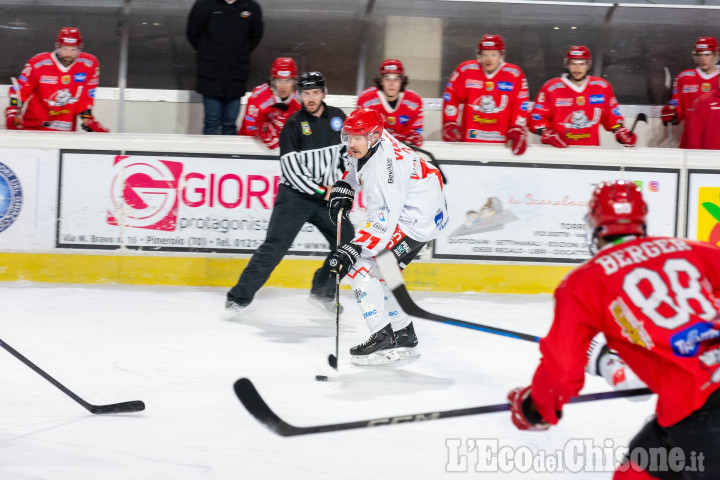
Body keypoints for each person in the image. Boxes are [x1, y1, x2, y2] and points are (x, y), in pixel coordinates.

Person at [508, 180, 720, 479]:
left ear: (594, 223)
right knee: (634, 472)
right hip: (691, 406)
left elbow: (563, 369)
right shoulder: (688, 249)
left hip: (701, 414)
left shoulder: (583, 283)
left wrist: (536, 406)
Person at [326, 108, 449, 365]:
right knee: (382, 272)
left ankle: (382, 341)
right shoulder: (371, 144)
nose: (351, 143)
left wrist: (353, 248)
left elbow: (384, 221)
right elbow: (356, 168)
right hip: (418, 210)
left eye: (357, 138)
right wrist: (346, 186)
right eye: (349, 136)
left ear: (373, 137)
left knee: (361, 265)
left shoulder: (385, 173)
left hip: (416, 222)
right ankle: (404, 335)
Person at [226, 72, 355, 316]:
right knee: (274, 248)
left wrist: (344, 185)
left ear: (324, 93)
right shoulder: (294, 125)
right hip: (294, 198)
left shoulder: (338, 118)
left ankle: (323, 291)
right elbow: (292, 171)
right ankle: (237, 300)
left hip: (326, 198)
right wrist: (322, 191)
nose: (311, 98)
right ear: (299, 95)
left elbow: (348, 155)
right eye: (306, 94)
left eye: (315, 93)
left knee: (348, 243)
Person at [528, 46, 636, 148]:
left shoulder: (601, 87)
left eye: (581, 64)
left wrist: (620, 130)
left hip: (590, 152)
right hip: (558, 151)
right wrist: (546, 133)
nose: (577, 68)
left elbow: (612, 117)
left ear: (588, 65)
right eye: (573, 64)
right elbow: (536, 117)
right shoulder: (551, 88)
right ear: (567, 64)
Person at [5, 27, 109, 132]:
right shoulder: (38, 63)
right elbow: (21, 90)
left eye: (73, 50)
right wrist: (13, 111)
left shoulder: (88, 64)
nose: (69, 54)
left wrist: (87, 119)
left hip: (64, 132)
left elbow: (85, 97)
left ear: (80, 48)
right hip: (33, 129)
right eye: (65, 49)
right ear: (57, 46)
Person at [441, 34, 529, 155]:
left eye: (493, 55)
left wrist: (518, 128)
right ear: (479, 55)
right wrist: (449, 122)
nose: (489, 59)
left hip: (502, 146)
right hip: (469, 142)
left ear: (501, 55)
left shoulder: (514, 74)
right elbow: (451, 96)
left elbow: (520, 105)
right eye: (485, 54)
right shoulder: (466, 70)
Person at [186, 0, 264, 135]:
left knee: (230, 124)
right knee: (211, 121)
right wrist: (209, 53)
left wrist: (238, 55)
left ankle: (230, 156)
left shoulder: (251, 7)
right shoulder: (203, 5)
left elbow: (254, 37)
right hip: (210, 75)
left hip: (236, 75)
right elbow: (193, 33)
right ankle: (209, 156)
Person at [662, 36, 719, 148]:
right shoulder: (684, 77)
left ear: (715, 55)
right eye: (699, 54)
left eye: (707, 54)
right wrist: (671, 113)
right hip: (691, 143)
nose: (702, 59)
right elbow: (677, 106)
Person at [356, 59, 424, 147]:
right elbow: (359, 132)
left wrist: (403, 147)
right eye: (387, 79)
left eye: (396, 79)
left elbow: (416, 134)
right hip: (374, 151)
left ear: (402, 81)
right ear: (381, 80)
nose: (391, 84)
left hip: (404, 152)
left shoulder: (414, 101)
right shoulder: (365, 100)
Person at [237, 57, 301, 149]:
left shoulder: (299, 100)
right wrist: (260, 130)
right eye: (279, 80)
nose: (283, 86)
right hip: (249, 149)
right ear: (273, 81)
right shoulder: (258, 97)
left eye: (288, 80)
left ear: (294, 81)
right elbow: (249, 129)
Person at [685, 76, 720, 149]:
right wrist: (694, 155)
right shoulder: (703, 101)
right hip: (709, 156)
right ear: (718, 79)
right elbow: (695, 133)